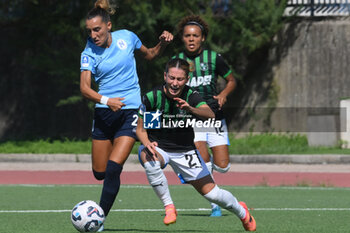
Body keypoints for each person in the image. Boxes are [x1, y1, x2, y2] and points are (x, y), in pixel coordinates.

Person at [79, 0, 173, 231]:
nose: (93, 35)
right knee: (100, 173)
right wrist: (106, 100)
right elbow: (84, 88)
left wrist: (161, 43)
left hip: (130, 112)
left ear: (109, 25)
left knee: (113, 169)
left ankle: (98, 219)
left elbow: (150, 55)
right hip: (103, 115)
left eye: (97, 29)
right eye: (89, 31)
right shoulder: (88, 52)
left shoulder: (127, 37)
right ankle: (102, 203)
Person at [136, 58, 256, 231]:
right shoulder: (152, 97)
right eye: (171, 78)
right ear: (165, 76)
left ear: (187, 79)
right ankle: (169, 207)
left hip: (186, 151)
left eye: (179, 79)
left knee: (213, 194)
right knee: (147, 156)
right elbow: (140, 129)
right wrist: (147, 142)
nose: (175, 83)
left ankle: (242, 212)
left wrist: (190, 109)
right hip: (160, 148)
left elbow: (210, 114)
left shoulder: (191, 95)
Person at [173, 15, 236, 217]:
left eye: (195, 36)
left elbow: (232, 81)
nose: (191, 39)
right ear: (182, 38)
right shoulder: (177, 62)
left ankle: (210, 179)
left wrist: (224, 94)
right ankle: (214, 204)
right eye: (187, 36)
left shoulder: (214, 58)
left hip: (215, 117)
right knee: (203, 159)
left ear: (202, 38)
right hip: (192, 118)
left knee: (223, 166)